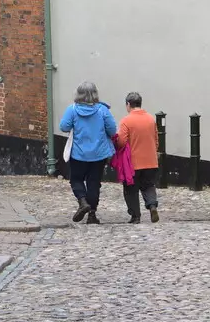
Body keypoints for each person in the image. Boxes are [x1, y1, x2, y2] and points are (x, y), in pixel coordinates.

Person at [60, 82, 116, 224]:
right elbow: (112, 130)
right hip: (98, 154)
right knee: (94, 183)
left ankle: (82, 201)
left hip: (78, 154)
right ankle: (92, 214)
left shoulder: (72, 110)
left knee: (76, 179)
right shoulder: (103, 110)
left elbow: (64, 127)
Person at [115, 92, 161, 223]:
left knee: (131, 189)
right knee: (148, 185)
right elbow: (156, 140)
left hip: (133, 163)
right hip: (151, 161)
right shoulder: (151, 119)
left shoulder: (126, 121)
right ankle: (152, 205)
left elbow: (121, 142)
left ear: (128, 104)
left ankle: (135, 216)